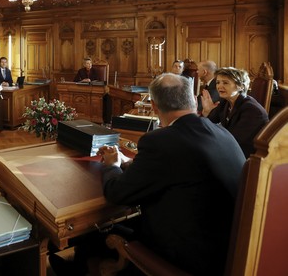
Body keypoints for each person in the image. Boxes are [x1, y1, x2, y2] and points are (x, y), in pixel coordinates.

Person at [96, 73, 246, 275]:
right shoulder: (222, 132)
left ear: (155, 107)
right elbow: (177, 169)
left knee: (101, 231)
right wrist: (128, 163)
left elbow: (116, 194)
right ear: (193, 100)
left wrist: (112, 165)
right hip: (229, 252)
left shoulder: (161, 142)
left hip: (189, 259)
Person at [201, 67, 269, 158]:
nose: (219, 86)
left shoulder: (252, 110)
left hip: (246, 158)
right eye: (218, 82)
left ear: (240, 86)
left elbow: (233, 140)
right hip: (230, 150)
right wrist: (206, 112)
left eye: (225, 82)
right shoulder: (225, 102)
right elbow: (208, 124)